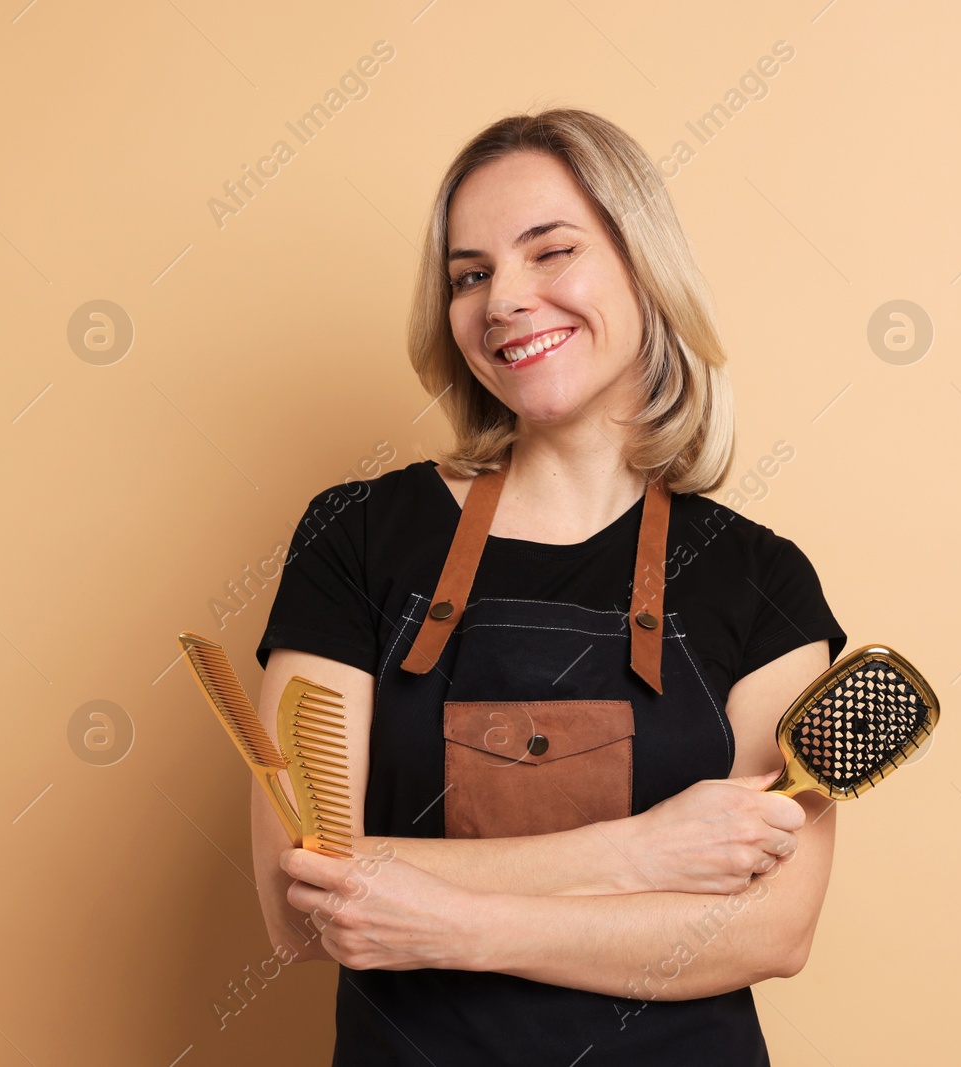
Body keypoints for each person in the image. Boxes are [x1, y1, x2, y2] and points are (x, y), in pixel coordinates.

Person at [251, 108, 848, 1065]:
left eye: (550, 252)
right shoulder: (356, 537)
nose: (503, 301)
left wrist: (453, 924)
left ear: (644, 269)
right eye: (471, 275)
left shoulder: (762, 580)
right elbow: (300, 889)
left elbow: (768, 930)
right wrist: (638, 855)